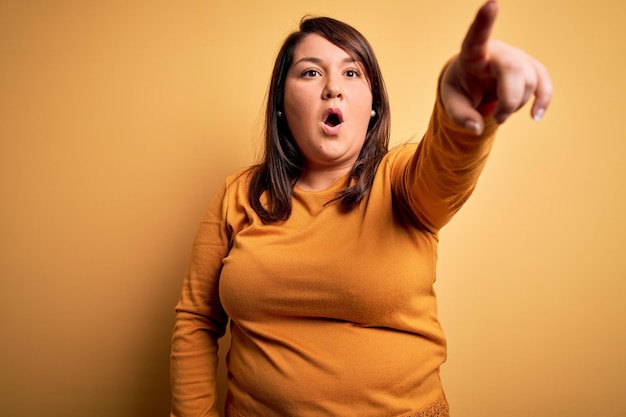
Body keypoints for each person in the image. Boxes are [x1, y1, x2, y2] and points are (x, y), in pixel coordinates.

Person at [170, 1, 553, 416]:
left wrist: (460, 109)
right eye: (311, 72)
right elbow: (196, 321)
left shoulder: (401, 181)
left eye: (351, 72)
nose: (332, 87)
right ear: (281, 102)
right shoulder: (239, 194)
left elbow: (446, 169)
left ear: (372, 105)